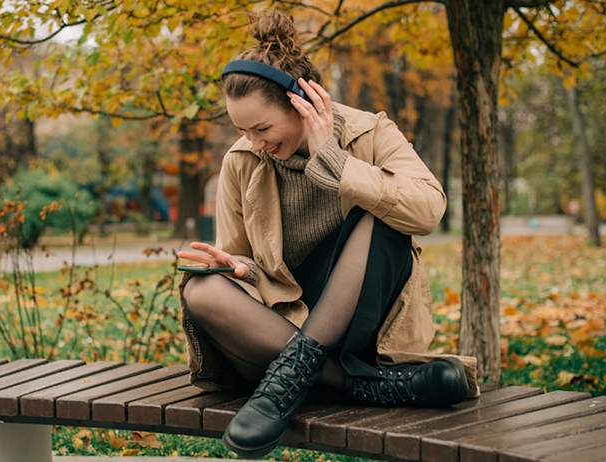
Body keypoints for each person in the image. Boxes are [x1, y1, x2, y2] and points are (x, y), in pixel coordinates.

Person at [176, 10, 478, 459]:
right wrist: (239, 269)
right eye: (241, 130)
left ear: (302, 105)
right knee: (200, 290)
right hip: (284, 322)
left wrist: (334, 163)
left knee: (382, 214)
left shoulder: (370, 132)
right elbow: (250, 261)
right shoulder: (241, 161)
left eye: (262, 129)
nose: (253, 142)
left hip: (361, 317)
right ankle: (353, 384)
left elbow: (428, 209)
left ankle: (283, 386)